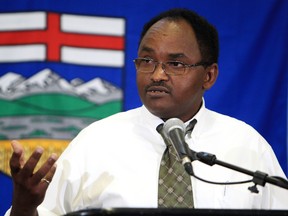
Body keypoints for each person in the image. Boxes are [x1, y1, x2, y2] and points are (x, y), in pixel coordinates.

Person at [6, 8, 288, 216]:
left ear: (209, 76)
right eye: (147, 60)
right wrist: (23, 206)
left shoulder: (247, 146)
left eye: (176, 64)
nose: (157, 75)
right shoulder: (94, 143)